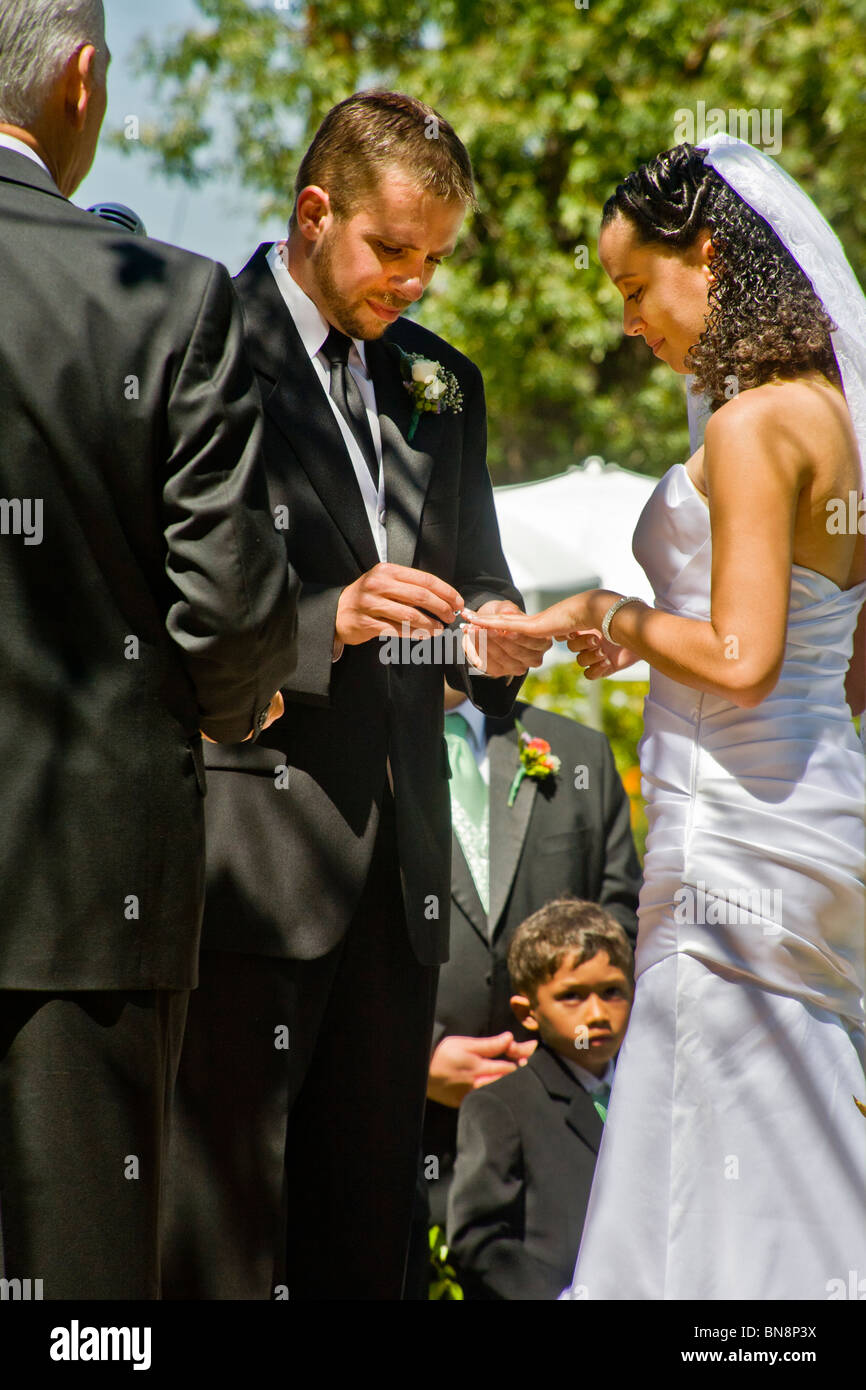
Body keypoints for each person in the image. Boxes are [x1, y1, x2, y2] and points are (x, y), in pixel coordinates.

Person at [164, 90, 550, 1302]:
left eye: (434, 259)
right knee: (220, 1243)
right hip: (243, 861)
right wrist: (318, 621)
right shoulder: (194, 340)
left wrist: (492, 636)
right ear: (312, 210)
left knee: (366, 1237)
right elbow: (146, 608)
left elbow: (476, 580)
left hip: (401, 877)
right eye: (392, 251)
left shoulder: (444, 384)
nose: (414, 284)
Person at [466, 133, 866, 1299]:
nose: (630, 323)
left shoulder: (747, 428)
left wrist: (608, 614)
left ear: (707, 255)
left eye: (636, 287)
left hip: (732, 842)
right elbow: (833, 671)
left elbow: (739, 657)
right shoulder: (832, 420)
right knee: (795, 1149)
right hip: (816, 819)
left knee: (705, 1165)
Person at [0, 0, 298, 1299]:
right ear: (82, 80)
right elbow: (230, 619)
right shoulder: (169, 300)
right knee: (85, 1296)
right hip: (88, 907)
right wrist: (240, 700)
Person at [423, 683, 640, 1227]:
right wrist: (414, 1060)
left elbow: (622, 922)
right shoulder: (352, 750)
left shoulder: (577, 751)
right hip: (400, 1125)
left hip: (557, 1137)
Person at [446, 900, 633, 1300]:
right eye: (573, 996)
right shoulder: (501, 1107)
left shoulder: (656, 1096)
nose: (597, 1013)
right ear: (528, 1012)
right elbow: (478, 1239)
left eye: (612, 991)